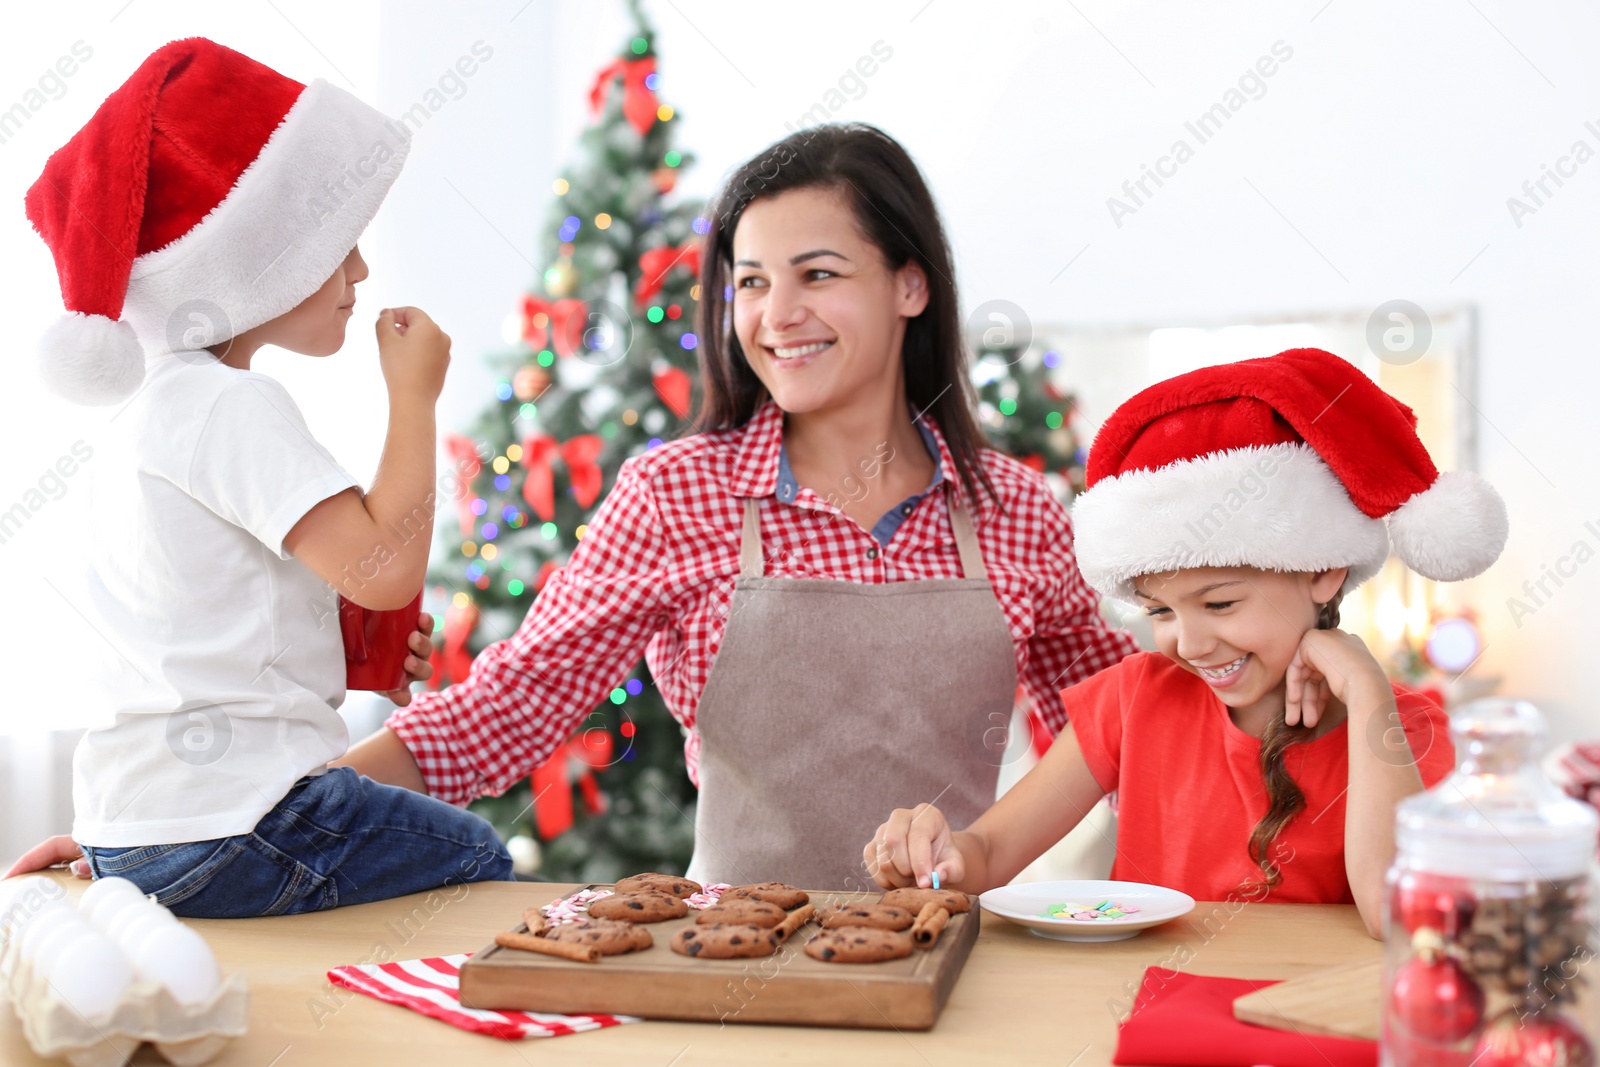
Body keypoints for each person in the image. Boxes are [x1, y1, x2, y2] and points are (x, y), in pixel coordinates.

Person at [323, 123, 1141, 890]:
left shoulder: (1017, 509)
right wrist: (282, 810)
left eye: (818, 274)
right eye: (752, 282)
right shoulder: (676, 496)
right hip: (728, 969)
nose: (776, 315)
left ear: (910, 284)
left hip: (950, 961)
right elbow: (508, 706)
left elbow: (1123, 721)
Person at [4, 39, 511, 914]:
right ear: (248, 260)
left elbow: (204, 620)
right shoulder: (229, 404)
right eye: (337, 245)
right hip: (242, 822)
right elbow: (385, 570)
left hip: (134, 828)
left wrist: (339, 648)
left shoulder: (145, 415)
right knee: (474, 854)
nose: (359, 272)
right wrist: (416, 397)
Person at [866, 347, 1510, 936]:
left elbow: (1394, 915)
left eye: (1220, 603)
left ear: (1323, 570)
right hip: (1146, 1021)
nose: (1189, 642)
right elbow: (990, 854)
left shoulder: (1407, 729)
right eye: (1160, 611)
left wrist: (1369, 694)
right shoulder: (1133, 700)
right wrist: (939, 853)